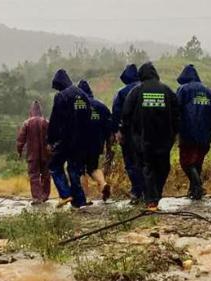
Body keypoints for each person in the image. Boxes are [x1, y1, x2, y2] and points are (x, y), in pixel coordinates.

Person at [121, 62, 179, 211]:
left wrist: (128, 134)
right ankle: (155, 196)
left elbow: (125, 114)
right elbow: (178, 114)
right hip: (164, 139)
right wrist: (175, 133)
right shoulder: (167, 91)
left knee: (147, 168)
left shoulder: (136, 91)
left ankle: (151, 200)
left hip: (142, 139)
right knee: (163, 167)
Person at [47, 68, 91, 208]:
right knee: (74, 170)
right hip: (81, 140)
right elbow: (88, 116)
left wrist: (50, 140)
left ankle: (65, 194)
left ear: (59, 83)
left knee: (54, 166)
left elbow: (55, 120)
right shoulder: (82, 94)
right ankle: (79, 201)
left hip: (66, 139)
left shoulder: (61, 96)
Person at [176, 64, 211, 200]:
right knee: (197, 162)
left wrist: (175, 130)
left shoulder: (183, 90)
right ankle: (193, 190)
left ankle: (198, 186)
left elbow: (176, 111)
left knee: (186, 162)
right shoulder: (209, 92)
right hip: (205, 134)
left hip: (187, 133)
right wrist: (210, 133)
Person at [111, 64, 145, 204]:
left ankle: (137, 191)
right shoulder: (147, 88)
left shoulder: (121, 92)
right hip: (148, 133)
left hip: (129, 133)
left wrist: (117, 131)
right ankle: (148, 191)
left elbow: (116, 113)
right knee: (145, 162)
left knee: (131, 163)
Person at [77, 80, 113, 202]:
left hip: (80, 143)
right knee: (93, 168)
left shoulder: (76, 106)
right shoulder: (101, 106)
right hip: (96, 143)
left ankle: (85, 198)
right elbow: (109, 125)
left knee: (80, 170)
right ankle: (103, 184)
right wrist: (109, 142)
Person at [16, 100, 51, 204]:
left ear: (31, 111)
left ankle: (37, 197)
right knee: (46, 175)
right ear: (41, 111)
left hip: (32, 155)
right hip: (46, 155)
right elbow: (52, 138)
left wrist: (19, 151)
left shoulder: (27, 123)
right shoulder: (46, 122)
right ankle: (45, 195)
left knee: (34, 176)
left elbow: (20, 139)